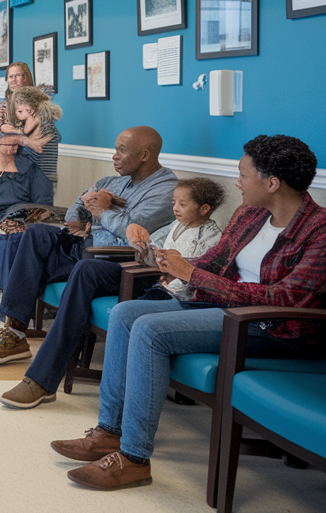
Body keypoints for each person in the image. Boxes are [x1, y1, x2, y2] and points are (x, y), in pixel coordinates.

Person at [51, 135, 326, 490]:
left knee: (150, 330)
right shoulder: (251, 215)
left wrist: (192, 275)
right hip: (226, 309)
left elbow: (289, 299)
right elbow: (213, 262)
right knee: (125, 314)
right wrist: (167, 260)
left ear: (272, 183)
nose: (237, 183)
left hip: (276, 328)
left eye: (243, 175)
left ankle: (133, 459)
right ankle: (108, 432)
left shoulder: (318, 230)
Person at [0, 176, 224, 408]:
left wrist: (109, 211)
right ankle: (22, 345)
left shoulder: (210, 234)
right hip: (143, 272)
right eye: (174, 203)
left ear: (204, 208)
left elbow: (204, 272)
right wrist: (142, 244)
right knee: (80, 265)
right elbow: (145, 251)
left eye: (182, 204)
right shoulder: (172, 225)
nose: (175, 208)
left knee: (81, 266)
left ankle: (40, 379)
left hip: (165, 288)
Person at [0, 126, 177, 370]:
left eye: (121, 151)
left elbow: (131, 228)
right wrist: (78, 219)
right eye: (115, 149)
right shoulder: (114, 181)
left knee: (35, 265)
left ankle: (26, 332)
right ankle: (15, 332)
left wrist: (103, 209)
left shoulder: (166, 189)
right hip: (85, 243)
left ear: (145, 155)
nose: (114, 156)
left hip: (113, 259)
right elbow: (80, 201)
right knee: (36, 233)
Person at [0, 140, 54, 224]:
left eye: (14, 145)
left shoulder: (31, 168)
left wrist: (26, 218)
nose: (11, 148)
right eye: (7, 144)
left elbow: (42, 201)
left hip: (21, 217)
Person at [0, 86, 62, 183]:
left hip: (39, 183)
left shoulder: (43, 129)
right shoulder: (38, 126)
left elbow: (29, 158)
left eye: (19, 111)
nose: (16, 115)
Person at [0, 62, 33, 150]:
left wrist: (12, 130)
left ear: (26, 78)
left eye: (18, 75)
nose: (14, 80)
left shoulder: (37, 104)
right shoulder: (1, 105)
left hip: (31, 158)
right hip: (5, 156)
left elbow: (36, 137)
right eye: (11, 77)